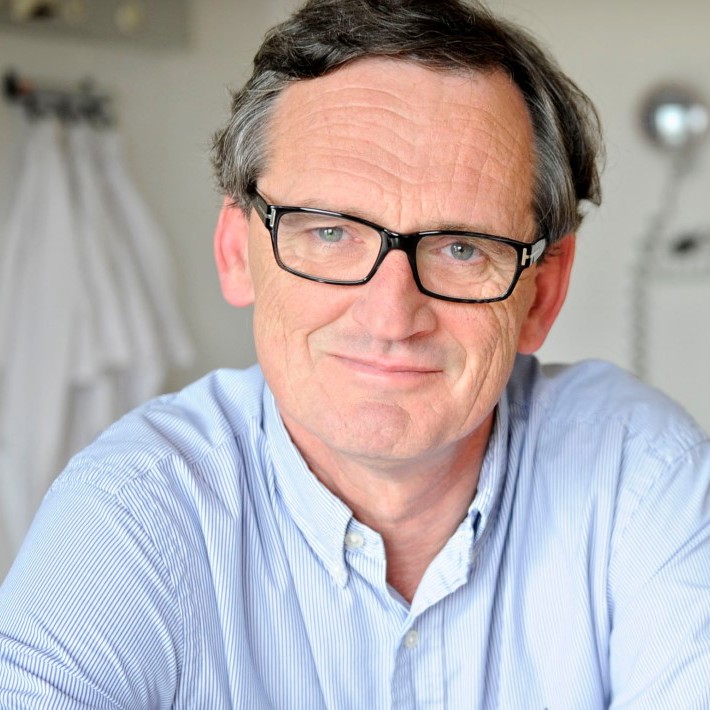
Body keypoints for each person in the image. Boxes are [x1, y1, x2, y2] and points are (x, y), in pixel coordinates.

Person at [1, 0, 708, 707]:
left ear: (542, 293)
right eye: (331, 232)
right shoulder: (130, 513)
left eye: (462, 248)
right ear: (237, 252)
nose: (391, 316)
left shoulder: (640, 477)